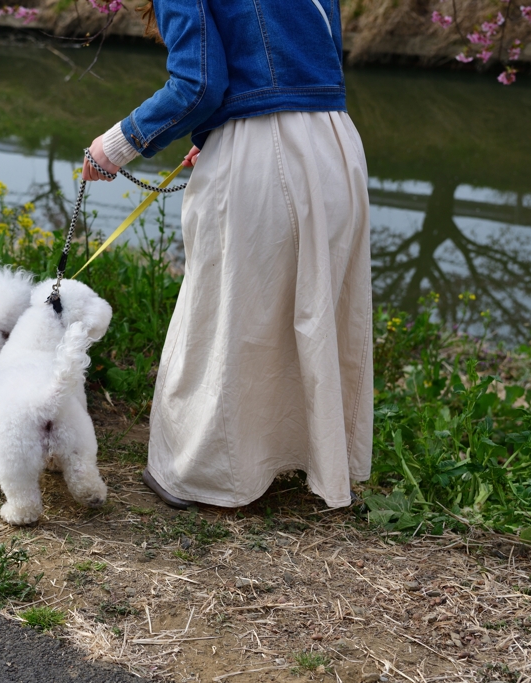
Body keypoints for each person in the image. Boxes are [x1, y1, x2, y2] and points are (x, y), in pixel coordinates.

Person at [82, 0, 373, 510]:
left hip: (261, 155)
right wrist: (221, 124)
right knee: (316, 309)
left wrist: (115, 147)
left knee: (225, 315)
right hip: (336, 145)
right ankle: (316, 460)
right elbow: (298, 60)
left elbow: (196, 86)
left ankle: (204, 476)